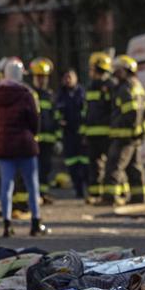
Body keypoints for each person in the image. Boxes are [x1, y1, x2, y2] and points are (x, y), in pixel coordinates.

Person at [0, 58, 48, 238]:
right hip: (25, 145)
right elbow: (34, 120)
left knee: (6, 186)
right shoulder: (26, 94)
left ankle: (7, 224)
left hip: (4, 145)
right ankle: (35, 223)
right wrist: (32, 135)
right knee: (32, 185)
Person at [100, 55, 145, 205]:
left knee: (114, 166)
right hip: (136, 135)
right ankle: (139, 197)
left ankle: (109, 198)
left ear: (126, 70)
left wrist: (123, 127)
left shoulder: (125, 88)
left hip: (124, 135)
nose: (115, 73)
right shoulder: (138, 86)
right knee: (134, 167)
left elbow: (131, 112)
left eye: (118, 70)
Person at [82, 52, 114, 203]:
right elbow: (86, 111)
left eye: (92, 69)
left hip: (108, 132)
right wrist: (84, 132)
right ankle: (95, 194)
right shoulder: (90, 87)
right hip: (92, 133)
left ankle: (115, 194)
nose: (90, 72)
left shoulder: (110, 86)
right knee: (94, 166)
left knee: (111, 165)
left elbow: (113, 109)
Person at [29, 57, 61, 204]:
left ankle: (42, 193)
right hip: (34, 139)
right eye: (39, 77)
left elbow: (57, 118)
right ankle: (34, 194)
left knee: (46, 169)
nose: (41, 80)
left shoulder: (51, 96)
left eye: (44, 77)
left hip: (48, 140)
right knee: (33, 169)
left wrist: (58, 139)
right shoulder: (29, 94)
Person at [55, 68, 87, 198]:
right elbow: (56, 114)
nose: (68, 80)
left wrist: (84, 132)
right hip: (68, 135)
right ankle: (78, 190)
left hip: (81, 134)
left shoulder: (82, 93)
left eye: (70, 77)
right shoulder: (61, 95)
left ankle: (87, 188)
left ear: (76, 79)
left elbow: (87, 113)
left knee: (85, 165)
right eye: (66, 77)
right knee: (72, 165)